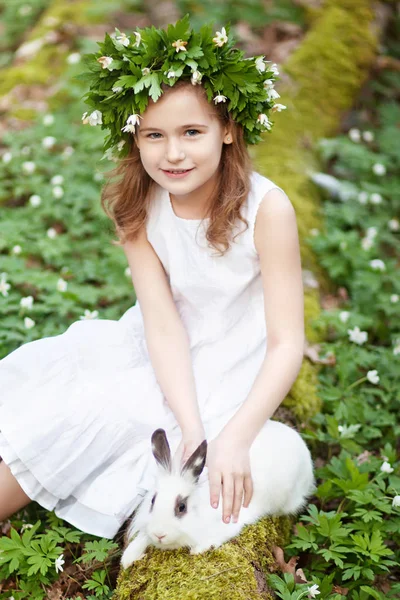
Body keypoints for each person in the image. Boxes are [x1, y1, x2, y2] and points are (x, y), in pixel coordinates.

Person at [0, 16, 304, 540]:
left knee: (112, 415)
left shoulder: (267, 210)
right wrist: (187, 423)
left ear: (229, 129)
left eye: (192, 132)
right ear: (134, 137)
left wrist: (229, 437)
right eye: (154, 136)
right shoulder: (140, 202)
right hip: (161, 350)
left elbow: (286, 343)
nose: (173, 153)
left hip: (229, 367)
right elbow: (161, 323)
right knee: (74, 400)